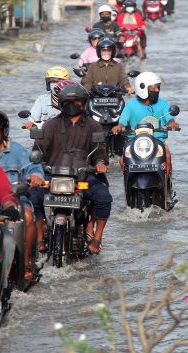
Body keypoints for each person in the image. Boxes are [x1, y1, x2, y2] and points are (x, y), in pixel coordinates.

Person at [32, 83, 112, 254]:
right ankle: (40, 235)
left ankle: (97, 236)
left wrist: (99, 164)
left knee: (103, 197)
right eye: (68, 101)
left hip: (83, 176)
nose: (73, 105)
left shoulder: (94, 126)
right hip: (53, 175)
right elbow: (37, 152)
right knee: (33, 194)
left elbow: (100, 151)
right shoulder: (49, 126)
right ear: (61, 103)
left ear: (84, 103)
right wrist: (36, 169)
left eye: (77, 101)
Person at [0, 109, 45, 281]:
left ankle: (27, 261)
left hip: (15, 199)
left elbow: (34, 167)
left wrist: (36, 177)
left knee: (28, 216)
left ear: (4, 131)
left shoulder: (17, 150)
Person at [111, 72, 180, 182]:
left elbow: (169, 118)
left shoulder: (163, 104)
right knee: (122, 161)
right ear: (142, 88)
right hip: (134, 143)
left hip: (158, 142)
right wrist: (119, 126)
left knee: (167, 157)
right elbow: (123, 119)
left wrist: (172, 123)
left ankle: (167, 189)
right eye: (154, 88)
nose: (157, 90)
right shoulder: (131, 105)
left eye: (158, 87)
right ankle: (129, 187)